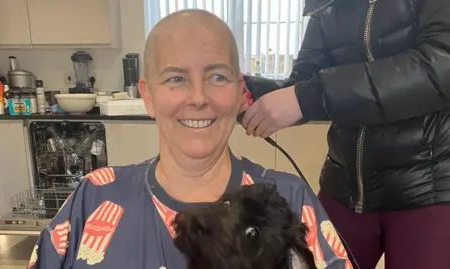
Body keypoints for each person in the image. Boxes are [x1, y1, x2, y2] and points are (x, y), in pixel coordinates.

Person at [26, 9, 353, 269]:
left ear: (240, 93)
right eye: (176, 78)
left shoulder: (290, 200)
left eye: (217, 76)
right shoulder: (94, 197)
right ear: (148, 97)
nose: (198, 97)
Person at [242, 0, 450, 268]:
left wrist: (308, 96)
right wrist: (247, 92)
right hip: (345, 186)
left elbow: (439, 65)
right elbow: (306, 84)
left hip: (428, 186)